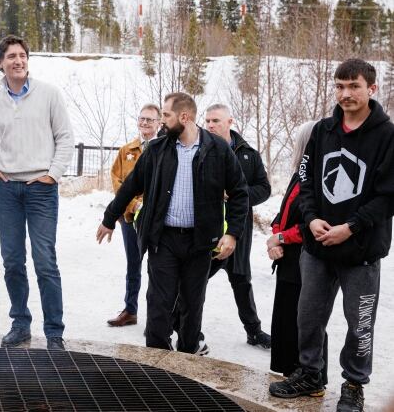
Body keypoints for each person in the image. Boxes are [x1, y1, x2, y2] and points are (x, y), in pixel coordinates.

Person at [269, 59, 394, 412]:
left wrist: (351, 227)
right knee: (307, 317)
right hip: (317, 248)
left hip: (361, 251)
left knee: (360, 324)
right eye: (339, 86)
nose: (345, 93)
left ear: (372, 88)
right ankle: (309, 374)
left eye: (353, 86)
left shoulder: (387, 136)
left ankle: (354, 384)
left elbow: (388, 196)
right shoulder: (323, 131)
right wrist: (310, 220)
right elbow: (305, 181)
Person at [96, 92, 249, 354]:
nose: (162, 121)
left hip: (200, 243)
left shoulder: (218, 150)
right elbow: (131, 186)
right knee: (158, 305)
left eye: (166, 115)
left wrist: (232, 233)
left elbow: (240, 193)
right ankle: (156, 365)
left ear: (184, 117)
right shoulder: (157, 149)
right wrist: (110, 218)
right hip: (163, 239)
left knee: (191, 306)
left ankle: (186, 362)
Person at [0, 35, 75, 350]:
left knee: (45, 260)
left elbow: (64, 138)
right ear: (1, 63)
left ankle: (54, 332)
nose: (17, 61)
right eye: (11, 56)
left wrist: (52, 174)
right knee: (12, 260)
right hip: (7, 189)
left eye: (22, 55)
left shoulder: (49, 94)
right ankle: (20, 323)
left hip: (40, 190)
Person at [202, 104, 272, 349]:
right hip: (207, 230)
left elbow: (264, 188)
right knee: (194, 281)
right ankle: (182, 326)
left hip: (238, 230)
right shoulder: (198, 149)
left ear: (230, 121)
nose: (210, 125)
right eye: (207, 120)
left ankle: (254, 331)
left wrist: (237, 195)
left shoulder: (247, 153)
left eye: (216, 121)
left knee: (242, 280)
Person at [266, 120, 329, 385]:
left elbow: (311, 224)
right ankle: (289, 370)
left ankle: (309, 374)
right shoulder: (299, 175)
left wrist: (281, 236)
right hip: (287, 258)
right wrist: (275, 238)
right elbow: (284, 211)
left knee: (305, 318)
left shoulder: (322, 177)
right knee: (285, 315)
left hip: (307, 257)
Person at [106, 103, 161, 327]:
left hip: (157, 219)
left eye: (150, 119)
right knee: (133, 264)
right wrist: (134, 206)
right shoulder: (126, 150)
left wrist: (147, 206)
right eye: (142, 119)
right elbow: (118, 183)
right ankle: (130, 310)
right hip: (130, 218)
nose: (145, 123)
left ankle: (157, 318)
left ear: (159, 123)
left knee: (159, 268)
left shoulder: (164, 150)